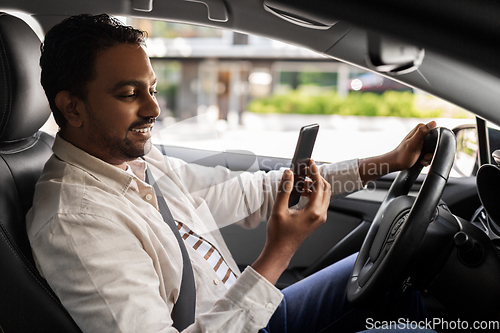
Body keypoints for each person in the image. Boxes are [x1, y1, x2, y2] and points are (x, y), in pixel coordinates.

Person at [27, 14, 437, 333]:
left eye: (151, 89)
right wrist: (279, 251)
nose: (153, 109)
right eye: (129, 94)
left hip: (252, 312)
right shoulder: (76, 220)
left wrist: (390, 161)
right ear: (72, 107)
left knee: (397, 271)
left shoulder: (137, 161)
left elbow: (252, 190)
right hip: (243, 319)